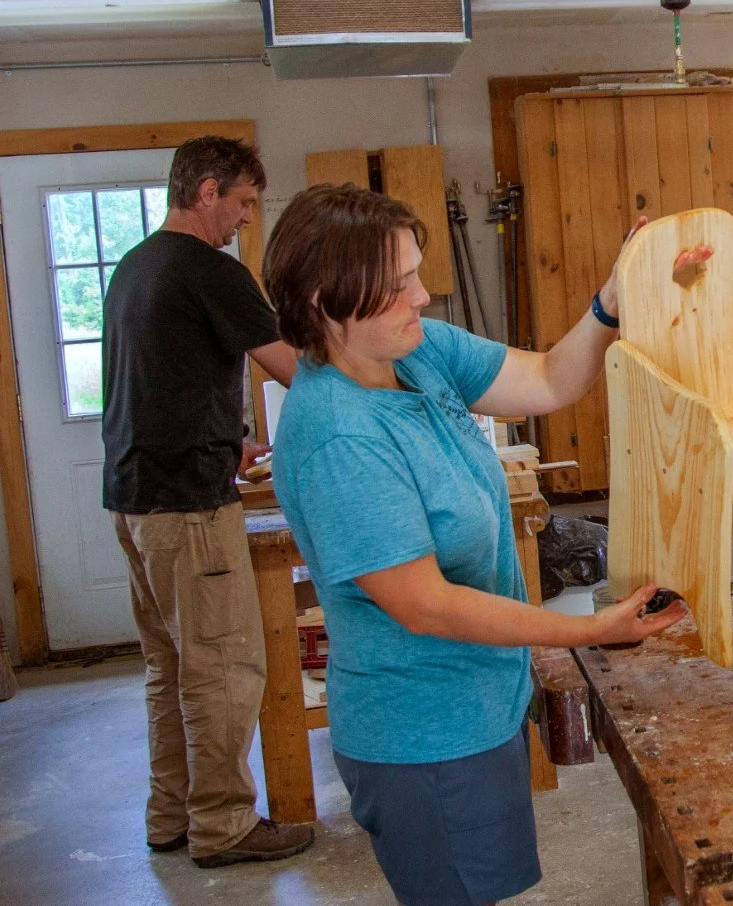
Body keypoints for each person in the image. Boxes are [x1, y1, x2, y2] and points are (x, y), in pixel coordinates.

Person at [262, 184, 692, 906]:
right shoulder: (341, 436)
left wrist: (609, 303)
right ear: (322, 301)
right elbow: (426, 605)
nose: (422, 297)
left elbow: (552, 378)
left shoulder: (418, 354)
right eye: (396, 286)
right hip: (420, 736)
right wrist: (586, 631)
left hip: (478, 704)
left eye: (415, 273)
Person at [102, 135, 311, 867]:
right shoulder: (207, 268)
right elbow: (291, 368)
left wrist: (228, 439)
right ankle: (223, 825)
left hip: (135, 498)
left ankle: (172, 815)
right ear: (207, 191)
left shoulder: (136, 266)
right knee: (223, 668)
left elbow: (163, 382)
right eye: (244, 202)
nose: (247, 219)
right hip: (187, 506)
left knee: (170, 668)